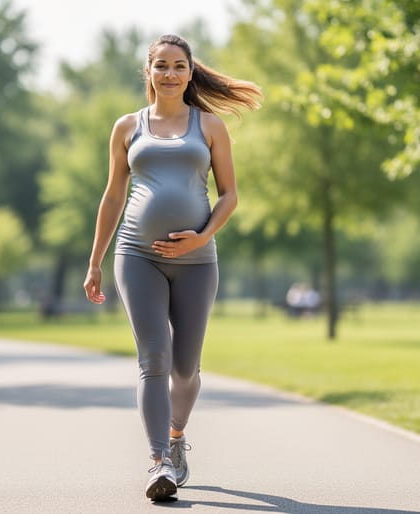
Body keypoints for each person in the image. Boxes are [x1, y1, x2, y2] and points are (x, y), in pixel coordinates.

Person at [83, 34, 262, 502]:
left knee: (186, 369)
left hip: (197, 261)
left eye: (178, 65)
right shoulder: (126, 127)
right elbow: (113, 196)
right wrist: (95, 261)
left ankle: (177, 438)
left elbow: (229, 195)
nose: (169, 73)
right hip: (136, 255)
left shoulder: (210, 126)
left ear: (189, 71)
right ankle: (159, 460)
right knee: (154, 360)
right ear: (148, 72)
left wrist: (203, 236)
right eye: (160, 65)